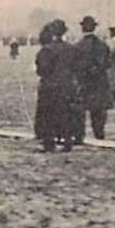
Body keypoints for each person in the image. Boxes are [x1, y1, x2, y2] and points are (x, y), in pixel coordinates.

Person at [33, 20, 81, 153]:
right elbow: (78, 67)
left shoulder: (46, 50)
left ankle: (49, 143)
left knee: (48, 114)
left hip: (50, 86)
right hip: (68, 85)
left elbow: (42, 71)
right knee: (66, 114)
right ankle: (67, 141)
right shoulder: (72, 49)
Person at [72, 15, 114, 141]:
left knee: (80, 109)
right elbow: (108, 63)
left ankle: (79, 136)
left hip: (83, 80)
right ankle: (99, 134)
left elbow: (74, 65)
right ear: (95, 28)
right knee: (99, 109)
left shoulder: (77, 46)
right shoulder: (102, 45)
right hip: (100, 80)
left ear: (82, 28)